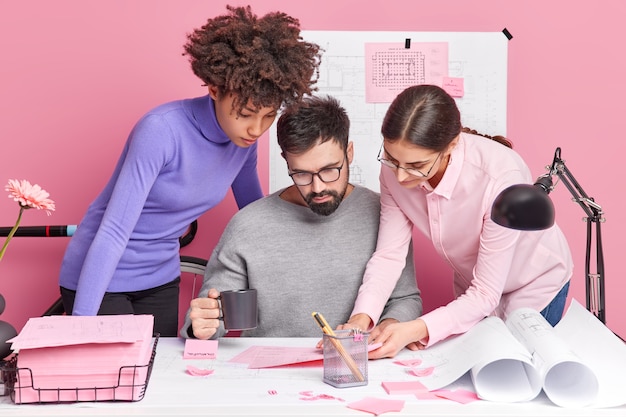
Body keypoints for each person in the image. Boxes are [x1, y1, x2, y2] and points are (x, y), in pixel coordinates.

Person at [58, 5, 322, 337]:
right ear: (214, 89)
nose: (257, 128)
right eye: (246, 113)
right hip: (100, 277)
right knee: (116, 382)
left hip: (160, 279)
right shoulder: (161, 130)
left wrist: (315, 231)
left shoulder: (243, 143)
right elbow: (113, 231)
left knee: (160, 379)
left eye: (268, 116)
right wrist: (80, 323)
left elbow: (255, 215)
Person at [343, 84, 573, 358]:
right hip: (474, 291)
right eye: (392, 159)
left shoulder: (501, 177)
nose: (402, 177)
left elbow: (486, 294)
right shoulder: (394, 171)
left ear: (452, 144)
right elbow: (389, 255)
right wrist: (362, 318)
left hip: (534, 283)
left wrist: (419, 328)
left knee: (523, 373)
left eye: (417, 166)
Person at [180, 95, 422, 340]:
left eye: (329, 170)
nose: (317, 188)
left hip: (356, 367)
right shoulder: (249, 224)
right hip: (269, 373)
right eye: (302, 174)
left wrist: (387, 329)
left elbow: (405, 299)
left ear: (349, 153)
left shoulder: (385, 215)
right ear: (286, 162)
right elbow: (210, 315)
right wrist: (200, 325)